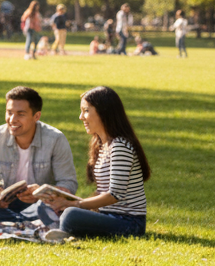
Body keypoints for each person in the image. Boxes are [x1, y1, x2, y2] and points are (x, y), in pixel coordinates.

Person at [41, 86, 149, 240]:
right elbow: (101, 192)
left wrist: (76, 205)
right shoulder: (101, 145)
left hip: (128, 222)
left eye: (86, 111)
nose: (81, 117)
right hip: (108, 215)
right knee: (52, 208)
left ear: (104, 112)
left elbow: (114, 195)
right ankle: (65, 231)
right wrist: (65, 201)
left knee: (71, 215)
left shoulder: (119, 147)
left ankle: (65, 232)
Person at [0, 86, 77, 223]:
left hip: (39, 203)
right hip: (7, 203)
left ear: (36, 116)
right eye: (9, 112)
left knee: (46, 207)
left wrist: (41, 193)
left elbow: (69, 184)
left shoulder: (55, 139)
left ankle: (5, 218)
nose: (12, 119)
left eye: (20, 114)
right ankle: (22, 221)